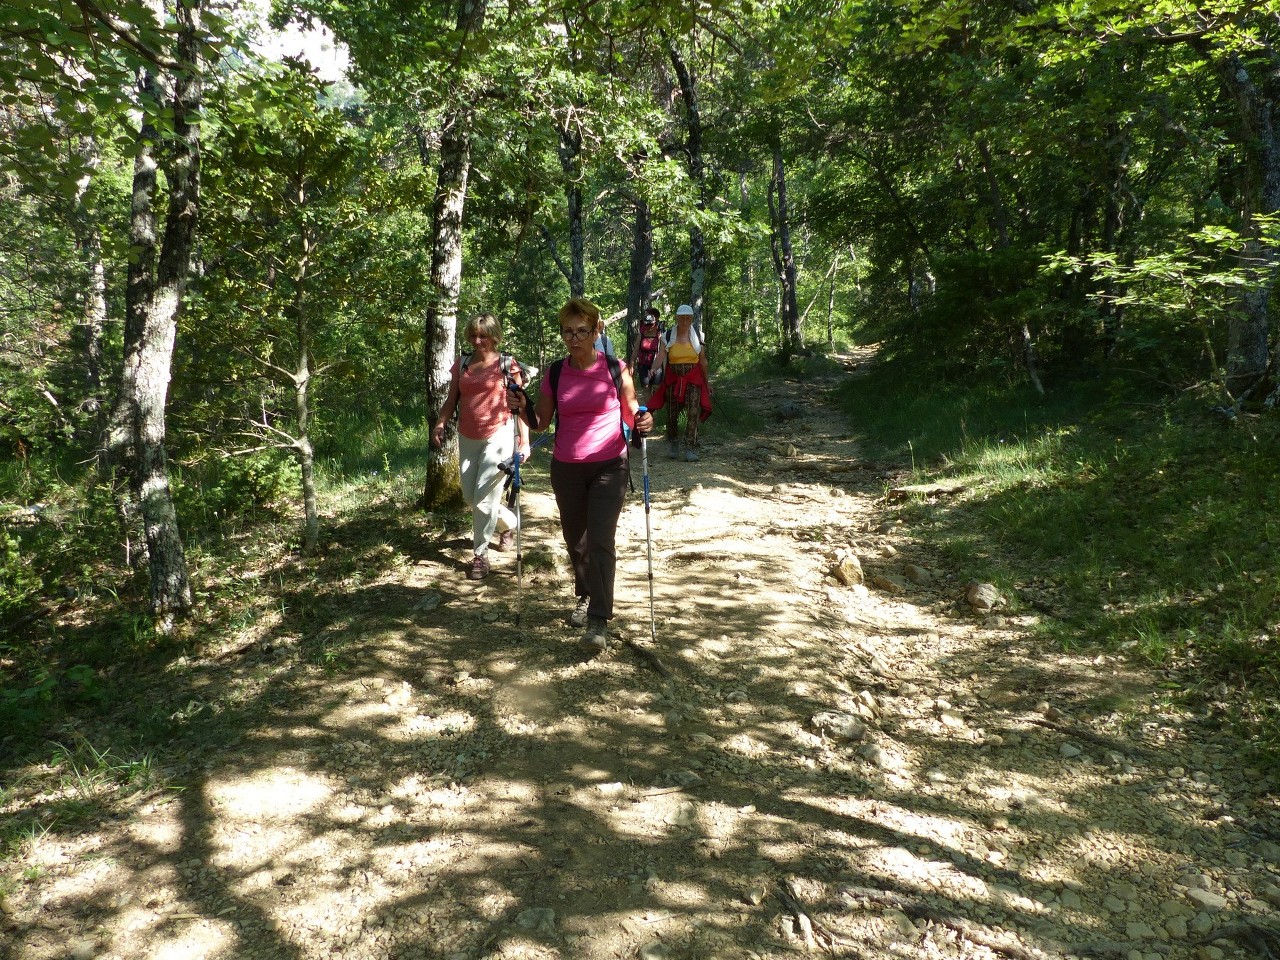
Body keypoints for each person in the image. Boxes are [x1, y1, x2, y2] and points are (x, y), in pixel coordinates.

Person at [507, 297, 654, 655]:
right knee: (577, 541)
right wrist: (522, 406)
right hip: (567, 467)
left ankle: (598, 620)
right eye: (568, 332)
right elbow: (540, 422)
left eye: (582, 331)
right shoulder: (556, 373)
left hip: (609, 464)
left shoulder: (616, 369)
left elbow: (633, 409)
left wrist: (643, 420)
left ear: (596, 331)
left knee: (601, 540)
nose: (574, 338)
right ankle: (586, 595)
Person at [431, 313, 530, 581]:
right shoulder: (462, 364)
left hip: (498, 434)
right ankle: (509, 524)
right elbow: (452, 399)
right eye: (473, 335)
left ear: (494, 336)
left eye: (483, 336)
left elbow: (520, 404)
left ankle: (480, 555)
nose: (477, 340)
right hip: (467, 435)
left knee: (484, 499)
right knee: (470, 497)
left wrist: (525, 440)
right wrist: (440, 424)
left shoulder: (507, 364)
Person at [649, 303, 712, 462]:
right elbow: (661, 357)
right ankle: (673, 443)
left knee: (692, 412)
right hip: (673, 379)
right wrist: (653, 369)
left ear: (691, 319)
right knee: (672, 413)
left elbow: (703, 361)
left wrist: (707, 382)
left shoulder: (698, 335)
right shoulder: (668, 336)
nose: (684, 320)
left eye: (687, 317)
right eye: (681, 317)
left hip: (693, 379)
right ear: (677, 318)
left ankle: (690, 447)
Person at [629, 306, 664, 405]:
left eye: (651, 324)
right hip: (643, 365)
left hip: (656, 365)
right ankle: (650, 409)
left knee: (656, 386)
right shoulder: (642, 335)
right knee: (646, 387)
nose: (649, 327)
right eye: (647, 325)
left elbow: (662, 352)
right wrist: (631, 364)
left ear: (655, 323)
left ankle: (656, 407)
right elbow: (636, 350)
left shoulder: (660, 335)